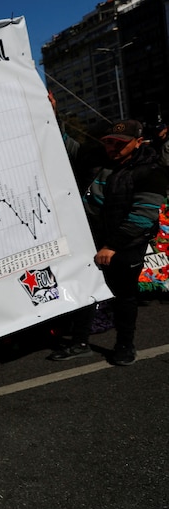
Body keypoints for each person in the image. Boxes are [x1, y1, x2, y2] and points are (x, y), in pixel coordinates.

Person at [49, 119, 168, 366]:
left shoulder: (151, 171)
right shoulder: (97, 158)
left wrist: (111, 246)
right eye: (109, 142)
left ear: (137, 143)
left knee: (124, 295)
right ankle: (80, 342)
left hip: (126, 240)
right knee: (86, 289)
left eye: (120, 144)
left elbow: (143, 216)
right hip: (93, 236)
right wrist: (51, 112)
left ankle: (125, 345)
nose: (113, 148)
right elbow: (64, 145)